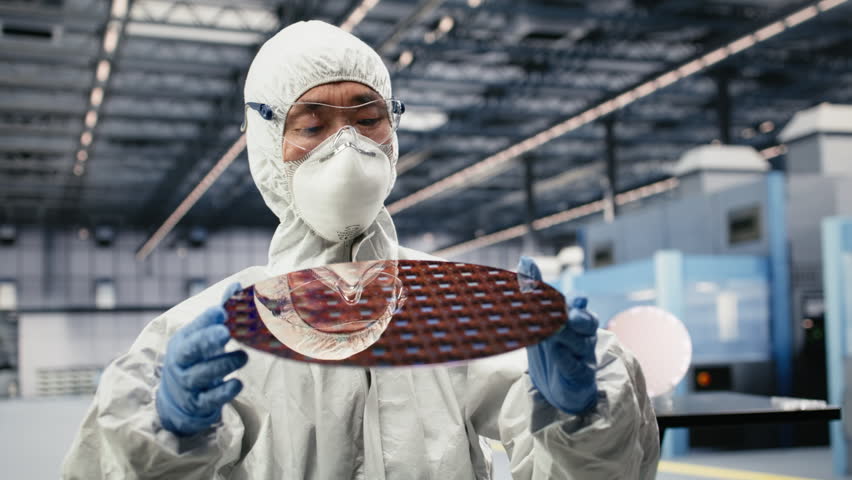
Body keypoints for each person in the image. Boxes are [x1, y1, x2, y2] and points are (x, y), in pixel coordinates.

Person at [61, 20, 659, 479]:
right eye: (313, 125)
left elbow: (600, 471)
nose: (347, 146)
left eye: (368, 118)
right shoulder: (208, 329)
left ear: (393, 132)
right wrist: (166, 435)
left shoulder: (455, 306)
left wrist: (581, 415)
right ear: (271, 145)